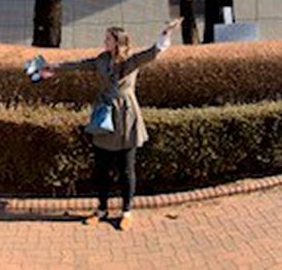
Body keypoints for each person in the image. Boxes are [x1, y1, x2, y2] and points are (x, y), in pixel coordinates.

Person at [41, 17, 183, 231]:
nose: (104, 41)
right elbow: (81, 65)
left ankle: (126, 211)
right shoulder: (101, 60)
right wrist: (54, 68)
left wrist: (166, 32)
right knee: (101, 169)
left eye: (108, 38)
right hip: (104, 115)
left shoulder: (131, 61)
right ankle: (101, 209)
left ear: (117, 42)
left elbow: (153, 52)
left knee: (126, 170)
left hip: (126, 116)